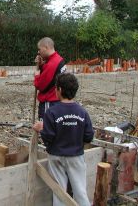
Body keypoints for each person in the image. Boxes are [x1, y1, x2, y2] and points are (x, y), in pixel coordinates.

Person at [33, 73, 94, 206]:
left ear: (59, 90)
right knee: (80, 191)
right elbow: (89, 136)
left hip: (56, 156)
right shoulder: (82, 112)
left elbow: (48, 137)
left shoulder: (52, 112)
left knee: (59, 191)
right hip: (76, 156)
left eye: (56, 88)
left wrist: (41, 129)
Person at [34, 37, 66, 120]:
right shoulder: (58, 59)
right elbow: (52, 78)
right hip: (58, 101)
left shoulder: (51, 64)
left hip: (50, 102)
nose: (38, 52)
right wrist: (41, 65)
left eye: (39, 49)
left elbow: (40, 86)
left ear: (46, 47)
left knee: (45, 128)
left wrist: (37, 74)